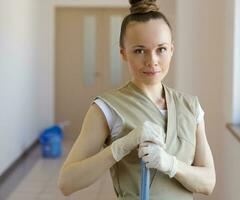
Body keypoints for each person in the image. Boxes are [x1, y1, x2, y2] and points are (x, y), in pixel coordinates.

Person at [58, 0, 216, 199]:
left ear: (172, 50)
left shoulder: (191, 107)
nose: (152, 61)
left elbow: (208, 183)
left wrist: (171, 164)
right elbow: (67, 182)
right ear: (123, 53)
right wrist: (121, 146)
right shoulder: (106, 108)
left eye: (161, 49)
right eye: (139, 50)